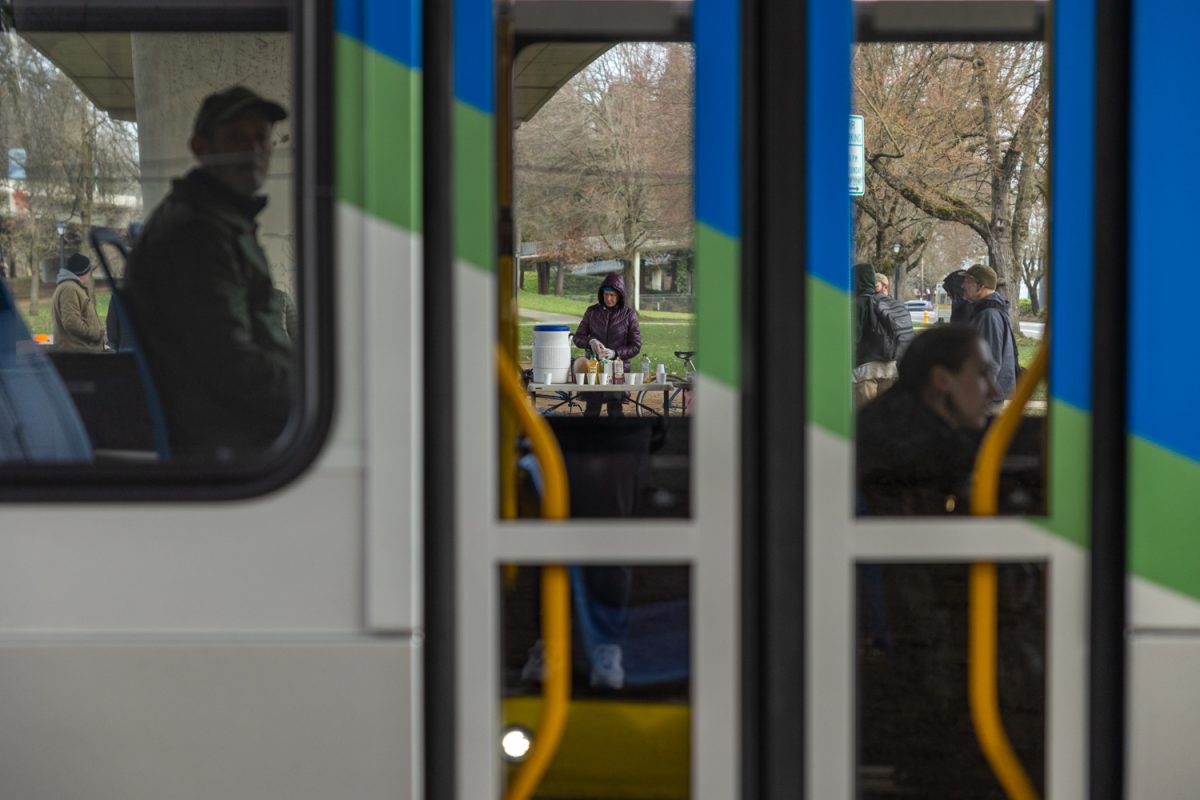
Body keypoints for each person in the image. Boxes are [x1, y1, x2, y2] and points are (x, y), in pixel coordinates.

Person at [124, 85, 294, 460]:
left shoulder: (218, 220)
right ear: (201, 149)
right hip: (230, 439)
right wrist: (319, 398)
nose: (253, 150)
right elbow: (231, 367)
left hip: (235, 425)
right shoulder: (197, 236)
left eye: (261, 138)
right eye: (235, 138)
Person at [857, 324, 998, 516]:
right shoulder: (923, 466)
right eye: (983, 374)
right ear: (942, 379)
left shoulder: (888, 426)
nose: (993, 390)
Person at [572, 272, 641, 417]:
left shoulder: (629, 315)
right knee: (591, 411)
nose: (608, 298)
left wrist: (615, 353)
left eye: (612, 295)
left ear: (620, 295)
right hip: (593, 369)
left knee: (615, 412)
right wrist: (590, 341)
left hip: (617, 371)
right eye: (605, 294)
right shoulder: (591, 312)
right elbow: (577, 337)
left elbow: (635, 346)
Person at [962, 263, 1018, 401]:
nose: (963, 286)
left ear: (980, 286)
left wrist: (976, 397)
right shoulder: (988, 311)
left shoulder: (989, 315)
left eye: (967, 282)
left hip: (989, 399)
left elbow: (990, 363)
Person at [853, 262, 902, 409]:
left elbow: (852, 338)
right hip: (889, 367)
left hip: (865, 369)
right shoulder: (888, 302)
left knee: (865, 415)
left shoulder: (857, 303)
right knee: (885, 415)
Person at [51, 253, 106, 353]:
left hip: (80, 351)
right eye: (89, 271)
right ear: (84, 272)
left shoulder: (71, 287)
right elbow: (71, 322)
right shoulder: (69, 288)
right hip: (78, 352)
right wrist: (95, 334)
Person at [874, 272, 914, 361]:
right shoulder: (899, 304)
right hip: (904, 355)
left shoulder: (874, 303)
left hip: (885, 358)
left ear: (885, 287)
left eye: (875, 286)